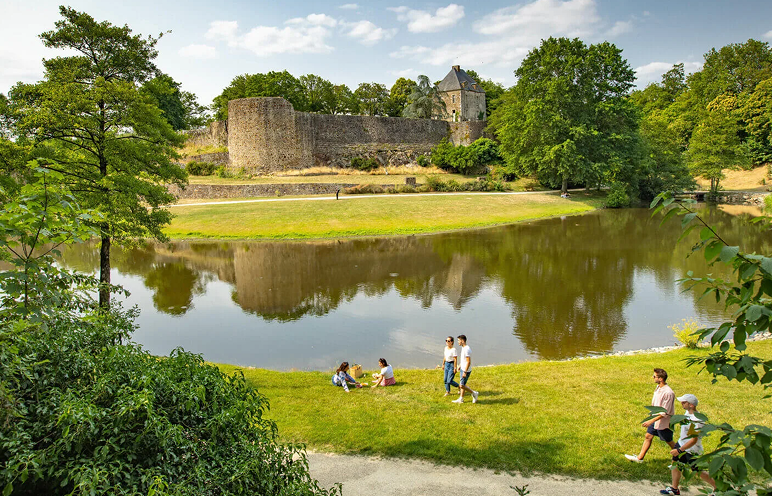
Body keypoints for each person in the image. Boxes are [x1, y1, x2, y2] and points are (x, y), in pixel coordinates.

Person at [659, 394, 716, 495]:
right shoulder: (687, 413)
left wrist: (680, 450)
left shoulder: (696, 420)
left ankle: (719, 488)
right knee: (675, 464)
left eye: (684, 402)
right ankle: (674, 488)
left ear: (691, 405)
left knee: (698, 471)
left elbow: (693, 440)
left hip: (691, 449)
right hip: (681, 443)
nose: (681, 404)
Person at [625, 368, 676, 462]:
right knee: (648, 436)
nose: (653, 378)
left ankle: (683, 458)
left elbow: (665, 412)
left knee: (668, 440)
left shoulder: (668, 393)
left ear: (661, 379)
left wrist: (651, 421)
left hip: (663, 422)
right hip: (655, 419)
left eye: (654, 376)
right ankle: (640, 458)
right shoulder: (658, 388)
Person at [451, 334, 478, 404]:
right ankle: (461, 399)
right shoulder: (463, 348)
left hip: (466, 370)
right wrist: (460, 365)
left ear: (462, 341)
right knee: (463, 384)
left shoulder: (467, 349)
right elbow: (464, 360)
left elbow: (468, 362)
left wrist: (465, 372)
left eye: (458, 340)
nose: (458, 342)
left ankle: (474, 393)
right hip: (463, 368)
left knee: (461, 385)